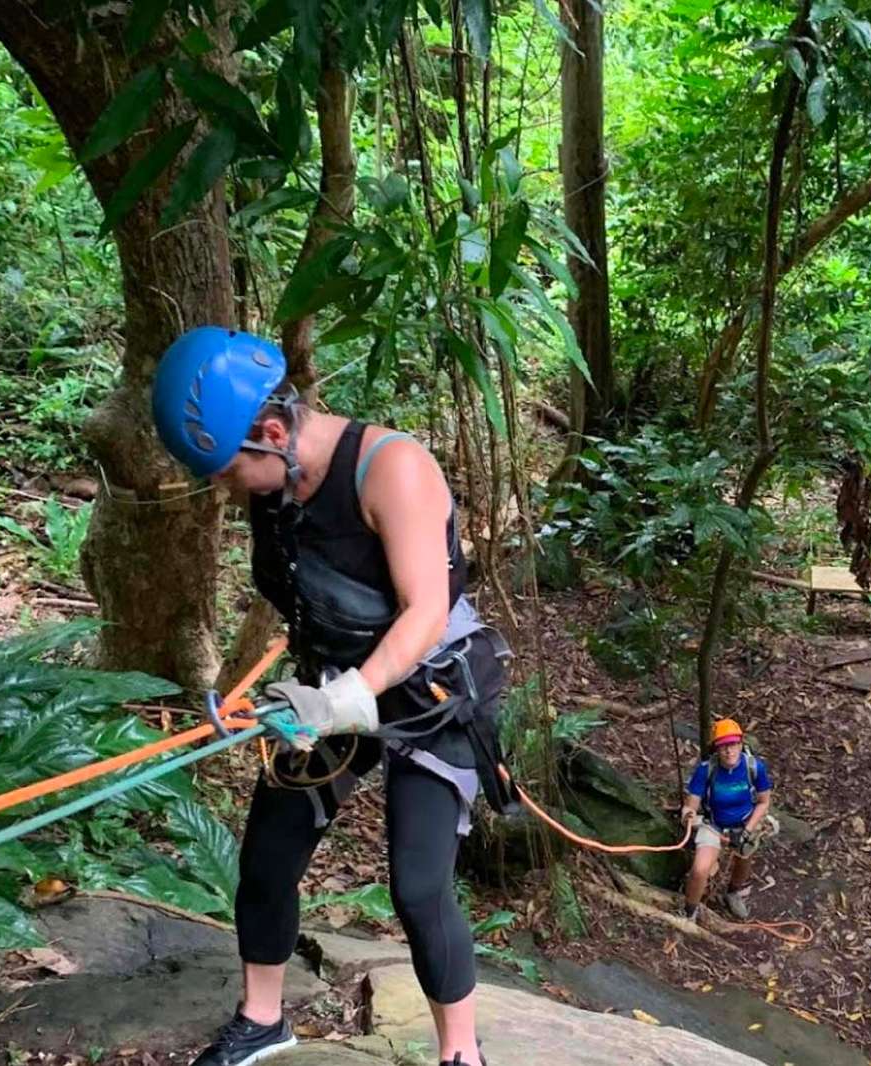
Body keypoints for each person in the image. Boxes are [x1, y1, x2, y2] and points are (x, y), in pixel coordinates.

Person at [150, 326, 510, 1066]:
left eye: (225, 473)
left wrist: (346, 699)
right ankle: (262, 1019)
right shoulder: (278, 484)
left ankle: (461, 1054)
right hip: (333, 683)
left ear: (274, 433)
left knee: (418, 886)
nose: (225, 489)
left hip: (430, 690)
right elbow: (306, 602)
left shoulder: (393, 470)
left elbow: (425, 612)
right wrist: (277, 689)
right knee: (269, 850)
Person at [678, 718, 775, 922]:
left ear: (740, 744)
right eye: (723, 746)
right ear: (716, 749)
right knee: (700, 869)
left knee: (744, 857)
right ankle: (688, 912)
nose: (729, 751)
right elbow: (691, 804)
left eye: (733, 745)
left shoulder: (754, 767)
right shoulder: (706, 770)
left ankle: (733, 892)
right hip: (714, 825)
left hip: (745, 822)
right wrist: (688, 814)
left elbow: (764, 802)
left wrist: (747, 830)